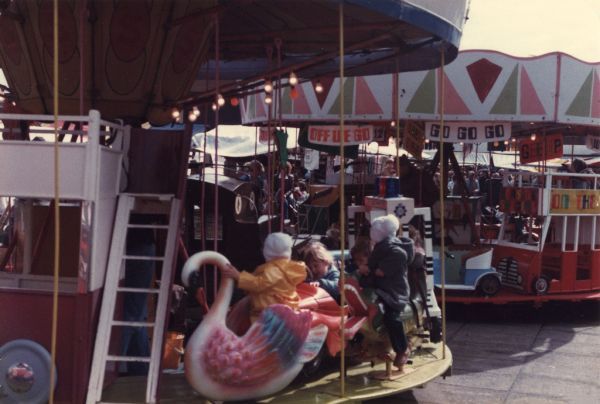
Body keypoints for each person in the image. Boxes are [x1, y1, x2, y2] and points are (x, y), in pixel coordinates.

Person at [358, 214, 413, 373]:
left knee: (391, 317)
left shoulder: (396, 252)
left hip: (393, 291)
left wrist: (368, 270)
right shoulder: (381, 246)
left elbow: (381, 272)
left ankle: (402, 349)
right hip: (379, 288)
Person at [221, 232, 307, 322]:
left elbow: (259, 284)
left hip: (267, 313)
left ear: (267, 251)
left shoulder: (275, 269)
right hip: (282, 309)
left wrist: (238, 276)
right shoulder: (288, 268)